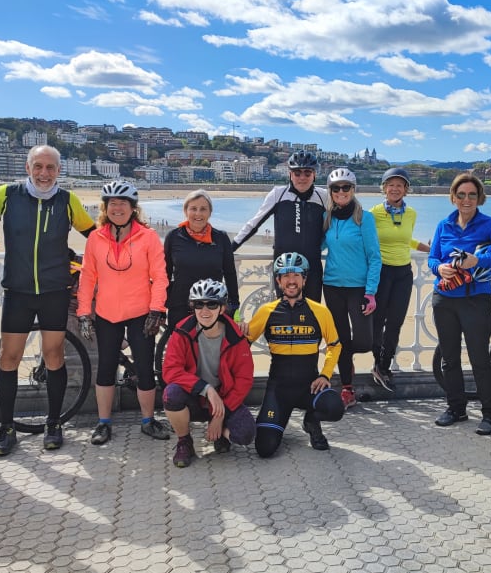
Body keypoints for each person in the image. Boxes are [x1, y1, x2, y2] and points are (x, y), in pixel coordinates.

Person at [0, 145, 95, 455]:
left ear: (58, 170)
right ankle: (7, 426)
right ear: (28, 168)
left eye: (50, 167)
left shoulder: (68, 201)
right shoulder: (8, 195)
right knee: (9, 358)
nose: (44, 173)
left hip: (55, 290)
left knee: (54, 356)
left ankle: (54, 424)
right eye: (38, 166)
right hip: (18, 291)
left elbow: (96, 236)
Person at [77, 179, 171, 445]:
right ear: (105, 208)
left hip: (141, 312)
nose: (117, 208)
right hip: (107, 313)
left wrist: (156, 311)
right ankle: (103, 423)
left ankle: (148, 420)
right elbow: (87, 277)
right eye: (112, 203)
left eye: (123, 203)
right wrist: (85, 313)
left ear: (133, 208)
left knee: (144, 368)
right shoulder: (96, 238)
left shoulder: (148, 236)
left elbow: (160, 277)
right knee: (105, 368)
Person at [427, 173, 491, 434]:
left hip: (475, 299)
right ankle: (456, 409)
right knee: (449, 358)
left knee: (479, 358)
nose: (466, 199)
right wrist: (439, 268)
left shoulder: (489, 224)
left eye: (472, 195)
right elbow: (432, 258)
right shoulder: (444, 225)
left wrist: (478, 261)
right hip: (444, 298)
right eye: (461, 194)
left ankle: (490, 414)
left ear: (480, 198)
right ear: (453, 197)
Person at [247, 252, 345, 457]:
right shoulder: (266, 311)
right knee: (264, 449)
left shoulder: (320, 311)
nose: (291, 281)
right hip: (278, 391)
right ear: (278, 280)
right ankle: (277, 424)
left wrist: (325, 375)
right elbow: (242, 345)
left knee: (335, 407)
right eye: (285, 275)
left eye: (296, 275)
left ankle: (311, 421)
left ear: (304, 279)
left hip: (308, 387)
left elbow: (335, 345)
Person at [161, 279, 256, 468]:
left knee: (245, 434)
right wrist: (206, 389)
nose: (204, 311)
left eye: (212, 304)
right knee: (171, 394)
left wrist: (220, 415)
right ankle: (184, 441)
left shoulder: (235, 336)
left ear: (222, 308)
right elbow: (170, 370)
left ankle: (220, 434)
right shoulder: (182, 331)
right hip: (195, 397)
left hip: (224, 399)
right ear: (192, 307)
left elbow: (244, 379)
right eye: (198, 304)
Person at [232, 150, 328, 302]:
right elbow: (255, 223)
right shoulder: (278, 194)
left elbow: (341, 224)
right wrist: (231, 247)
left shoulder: (323, 196)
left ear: (314, 174)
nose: (302, 177)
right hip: (284, 268)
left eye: (307, 173)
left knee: (311, 317)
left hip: (312, 269)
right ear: (290, 174)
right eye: (297, 173)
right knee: (284, 317)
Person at [321, 167, 381, 409]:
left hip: (358, 289)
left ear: (354, 190)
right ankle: (347, 389)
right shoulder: (327, 218)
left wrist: (370, 292)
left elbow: (375, 257)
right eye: (336, 188)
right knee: (341, 339)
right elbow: (318, 246)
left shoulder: (364, 218)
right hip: (332, 286)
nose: (341, 192)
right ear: (331, 192)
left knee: (365, 341)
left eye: (346, 187)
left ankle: (344, 356)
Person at [368, 167, 430, 391]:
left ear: (406, 189)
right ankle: (377, 362)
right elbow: (366, 241)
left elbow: (407, 240)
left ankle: (384, 366)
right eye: (390, 185)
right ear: (384, 188)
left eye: (399, 185)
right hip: (381, 272)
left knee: (396, 321)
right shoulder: (373, 214)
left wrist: (430, 250)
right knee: (378, 321)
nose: (395, 189)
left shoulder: (411, 214)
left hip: (403, 273)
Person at [163, 189, 241, 330]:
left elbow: (230, 273)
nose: (198, 214)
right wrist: (161, 307)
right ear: (186, 211)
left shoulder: (221, 238)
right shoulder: (173, 237)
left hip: (212, 306)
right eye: (193, 209)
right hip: (180, 305)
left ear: (210, 212)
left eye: (203, 209)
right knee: (181, 349)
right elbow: (165, 274)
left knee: (211, 349)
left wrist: (234, 304)